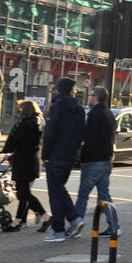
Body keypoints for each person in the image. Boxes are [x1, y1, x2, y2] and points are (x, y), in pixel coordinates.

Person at [41, 76, 86, 243]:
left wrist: (45, 155)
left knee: (55, 193)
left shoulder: (56, 107)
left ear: (59, 90)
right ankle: (74, 219)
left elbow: (50, 133)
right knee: (59, 189)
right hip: (70, 155)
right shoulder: (79, 109)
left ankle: (59, 229)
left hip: (56, 155)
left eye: (54, 89)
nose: (53, 92)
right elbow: (82, 133)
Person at [0, 99, 48, 231]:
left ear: (25, 110)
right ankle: (19, 221)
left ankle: (44, 215)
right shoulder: (41, 121)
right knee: (24, 193)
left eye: (21, 110)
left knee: (23, 193)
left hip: (23, 161)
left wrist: (6, 150)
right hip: (34, 160)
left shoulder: (24, 124)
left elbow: (13, 141)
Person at [75, 87, 115, 225]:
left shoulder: (93, 114)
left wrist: (83, 157)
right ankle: (114, 225)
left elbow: (89, 138)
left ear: (96, 98)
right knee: (105, 194)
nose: (89, 97)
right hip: (106, 160)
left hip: (93, 161)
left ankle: (77, 223)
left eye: (91, 95)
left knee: (83, 195)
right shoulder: (109, 113)